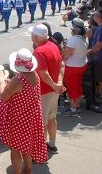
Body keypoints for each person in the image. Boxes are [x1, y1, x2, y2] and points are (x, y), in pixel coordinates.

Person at [0, 48, 47, 174]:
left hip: (18, 119)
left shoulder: (18, 79)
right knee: (26, 147)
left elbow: (4, 96)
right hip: (30, 117)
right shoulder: (34, 75)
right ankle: (28, 170)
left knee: (15, 149)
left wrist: (1, 82)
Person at [30, 23, 65, 154]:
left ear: (35, 37)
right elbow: (62, 64)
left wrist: (54, 85)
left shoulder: (39, 52)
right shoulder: (53, 46)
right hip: (54, 91)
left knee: (42, 123)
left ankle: (41, 152)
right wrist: (59, 83)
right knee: (51, 119)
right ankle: (52, 144)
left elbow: (43, 73)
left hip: (44, 92)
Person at [63, 18, 88, 116]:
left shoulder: (73, 40)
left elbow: (66, 55)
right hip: (81, 64)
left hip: (73, 67)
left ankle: (73, 109)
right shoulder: (83, 37)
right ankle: (76, 105)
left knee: (72, 87)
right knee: (77, 85)